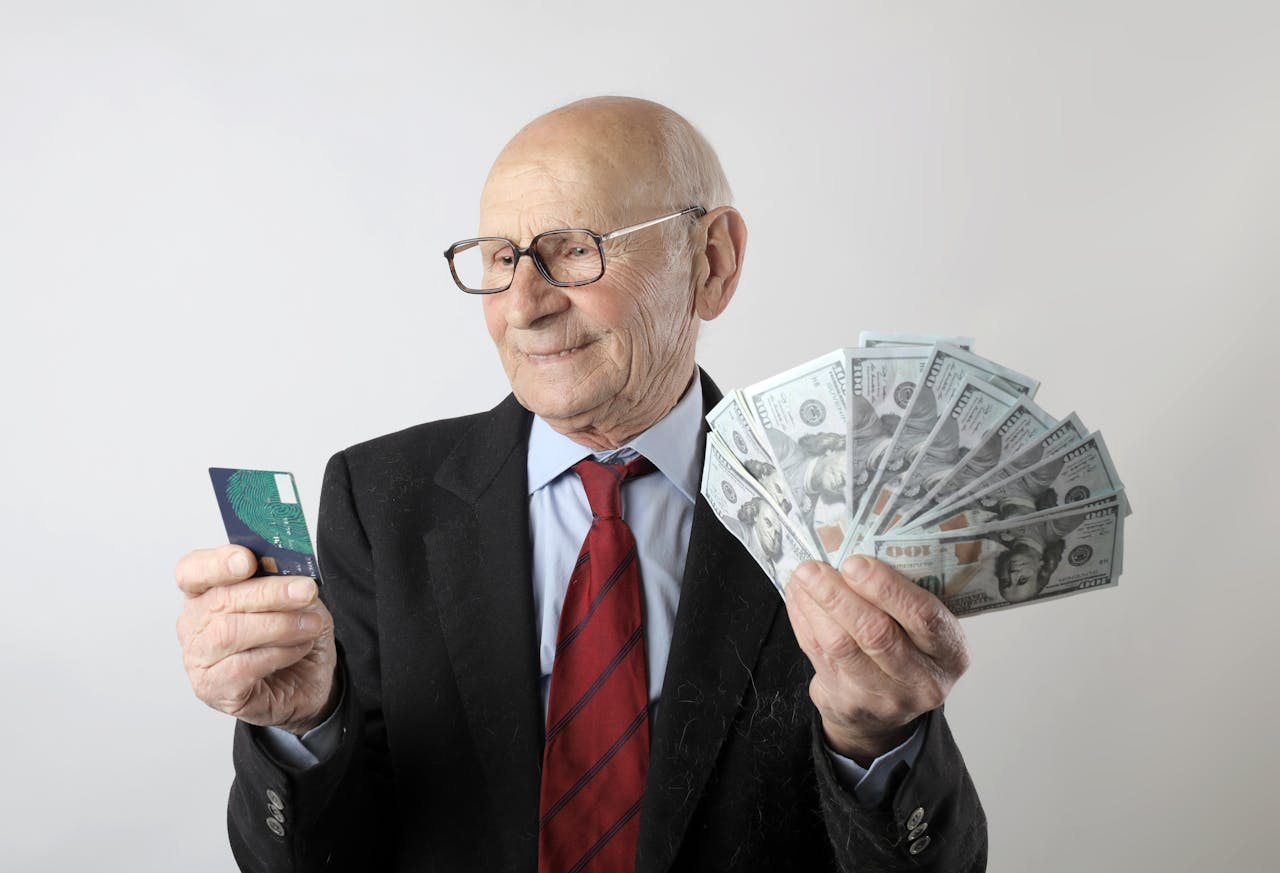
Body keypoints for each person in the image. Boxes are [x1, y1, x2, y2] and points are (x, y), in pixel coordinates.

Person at [175, 96, 986, 873]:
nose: (524, 306)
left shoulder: (847, 507)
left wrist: (879, 739)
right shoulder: (379, 499)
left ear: (713, 261)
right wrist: (304, 728)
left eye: (573, 247)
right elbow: (325, 860)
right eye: (499, 258)